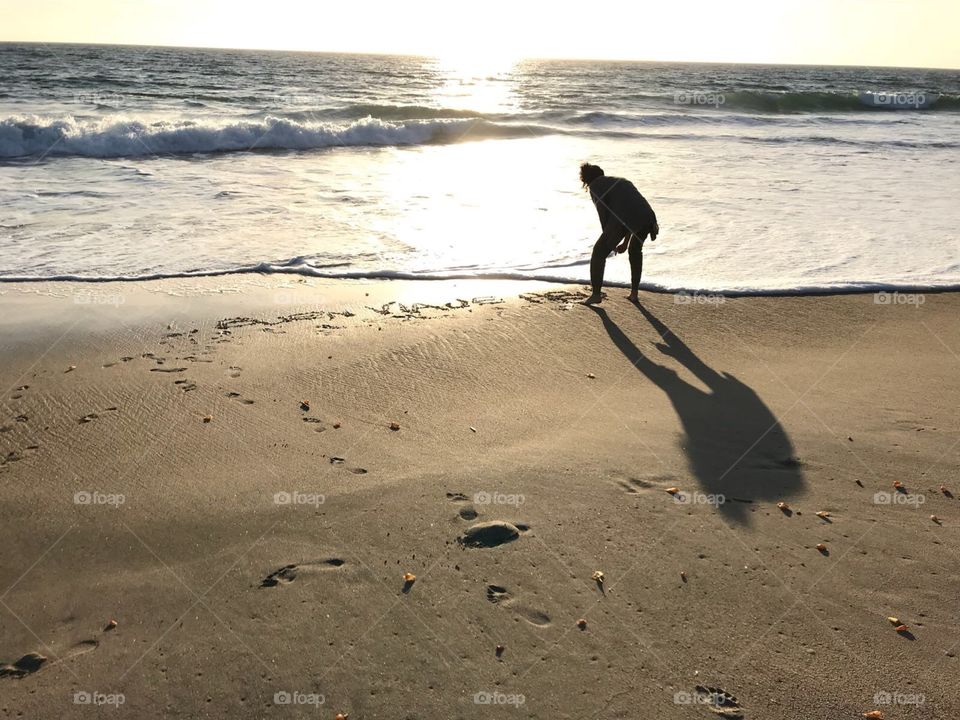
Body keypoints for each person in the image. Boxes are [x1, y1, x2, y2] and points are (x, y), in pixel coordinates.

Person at [580, 163, 659, 304]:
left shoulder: (595, 186)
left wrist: (610, 241)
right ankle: (634, 293)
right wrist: (625, 242)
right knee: (635, 250)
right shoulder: (621, 181)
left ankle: (596, 295)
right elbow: (630, 211)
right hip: (647, 217)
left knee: (598, 252)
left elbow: (604, 214)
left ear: (586, 179)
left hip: (626, 219)